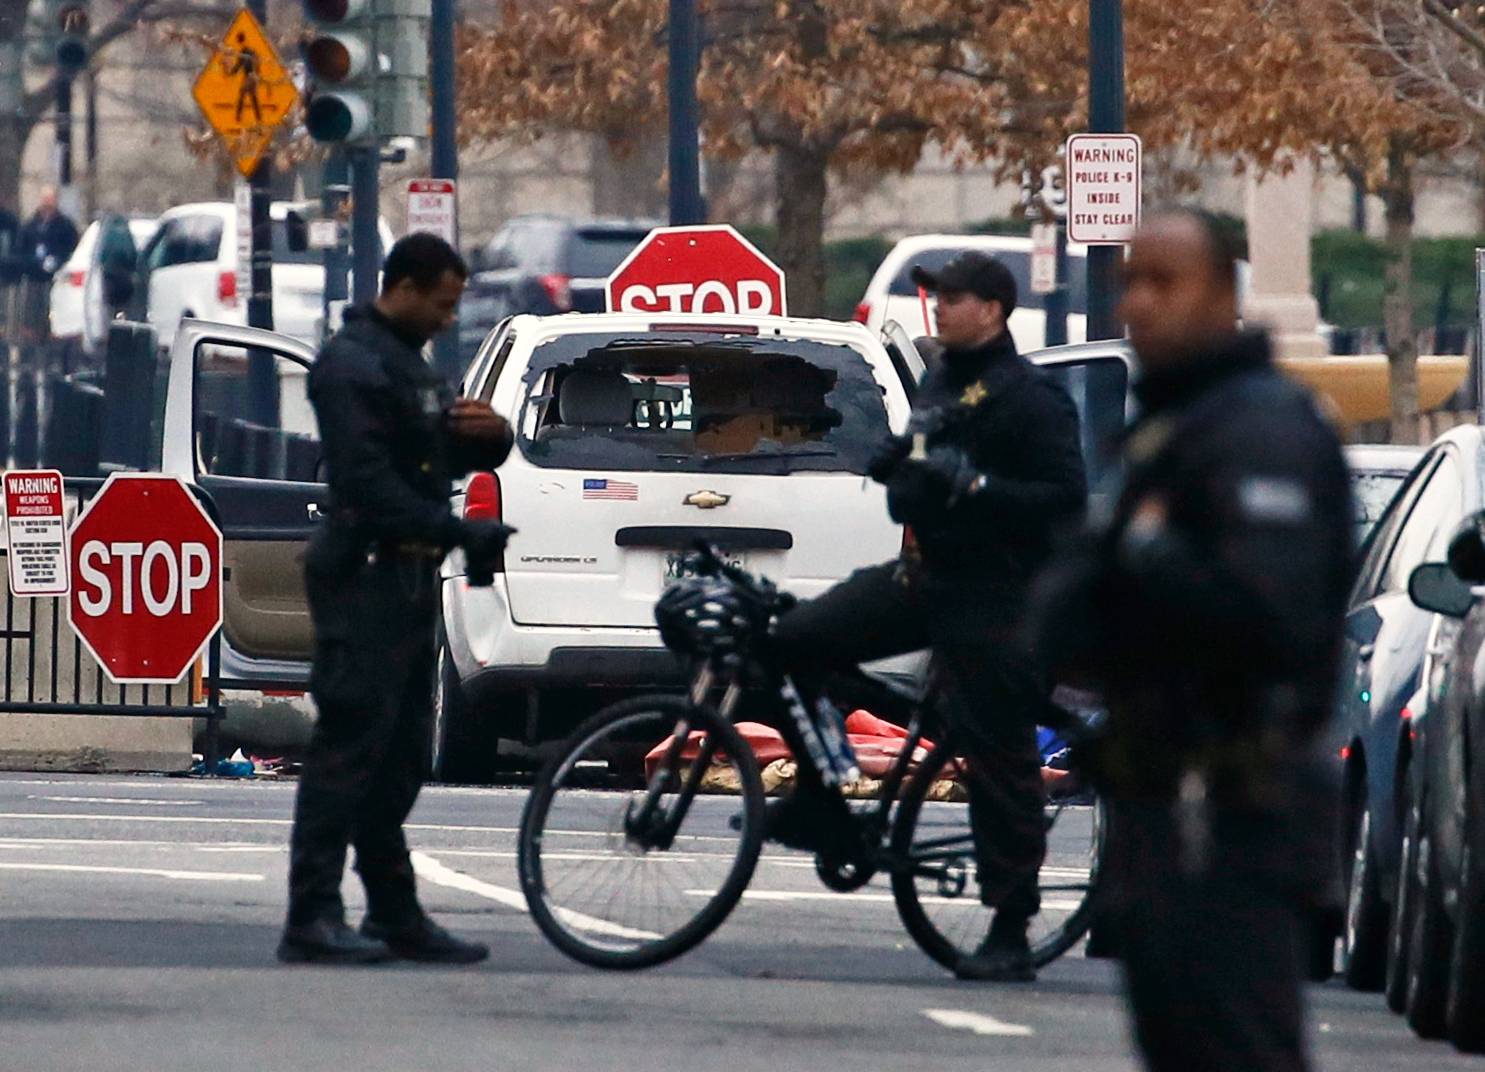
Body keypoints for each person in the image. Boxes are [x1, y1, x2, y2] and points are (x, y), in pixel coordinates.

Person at [1033, 209, 1352, 1071]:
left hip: (1236, 804)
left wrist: (1142, 553)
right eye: (1128, 281)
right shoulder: (1169, 426)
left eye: (1163, 281)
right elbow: (1069, 607)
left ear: (1221, 295)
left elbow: (1265, 614)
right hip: (1159, 801)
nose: (1138, 302)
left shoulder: (1259, 429)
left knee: (1237, 1046)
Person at [768, 251, 1087, 981]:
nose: (939, 307)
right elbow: (913, 475)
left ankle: (1010, 924)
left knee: (997, 756)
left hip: (997, 597)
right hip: (924, 577)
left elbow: (1062, 500)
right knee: (794, 641)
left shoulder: (1030, 397)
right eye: (935, 295)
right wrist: (897, 468)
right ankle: (823, 797)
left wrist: (973, 484)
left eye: (954, 297)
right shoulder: (940, 379)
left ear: (994, 309)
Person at [280, 233, 516, 966]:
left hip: (408, 577)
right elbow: (367, 484)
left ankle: (392, 911)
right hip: (366, 578)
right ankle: (311, 915)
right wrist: (453, 528)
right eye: (443, 303)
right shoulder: (351, 365)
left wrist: (488, 442)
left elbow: (429, 453)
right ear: (406, 286)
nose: (450, 319)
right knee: (348, 748)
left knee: (400, 755)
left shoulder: (408, 364)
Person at [19, 187, 79, 279]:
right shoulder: (30, 225)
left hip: (56, 276)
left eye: (50, 199)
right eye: (44, 199)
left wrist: (58, 260)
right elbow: (22, 247)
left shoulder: (66, 225)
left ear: (56, 201)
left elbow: (72, 247)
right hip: (32, 275)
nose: (47, 203)